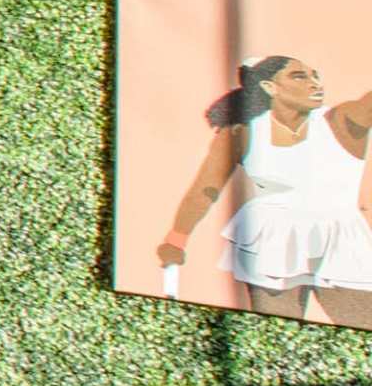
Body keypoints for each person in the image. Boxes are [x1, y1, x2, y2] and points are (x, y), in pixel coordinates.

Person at [151, 54, 372, 318]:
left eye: (316, 75)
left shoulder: (343, 119)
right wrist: (177, 239)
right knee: (277, 336)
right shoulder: (243, 131)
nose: (315, 83)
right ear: (269, 87)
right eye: (300, 76)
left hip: (342, 240)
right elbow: (206, 189)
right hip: (271, 242)